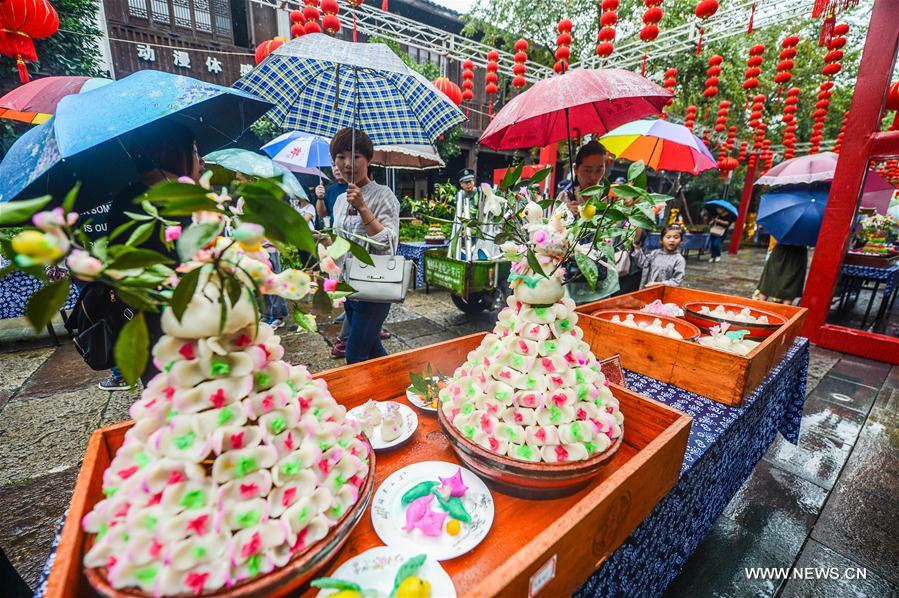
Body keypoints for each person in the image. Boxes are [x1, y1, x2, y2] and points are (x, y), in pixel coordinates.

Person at [100, 122, 202, 390]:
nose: (200, 161)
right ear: (174, 153)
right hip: (181, 325)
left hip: (148, 327)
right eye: (194, 151)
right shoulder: (175, 202)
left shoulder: (125, 199)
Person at [329, 128, 400, 364]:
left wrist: (362, 208)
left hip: (374, 288)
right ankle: (399, 379)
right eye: (341, 157)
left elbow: (388, 244)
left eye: (356, 156)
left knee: (355, 354)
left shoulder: (383, 195)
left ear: (369, 159)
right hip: (347, 286)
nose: (348, 164)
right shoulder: (340, 200)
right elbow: (340, 243)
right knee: (372, 349)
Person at [756, 240, 808, 304]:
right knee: (792, 283)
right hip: (798, 251)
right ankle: (785, 309)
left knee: (769, 280)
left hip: (782, 248)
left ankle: (761, 304)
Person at [451, 168, 481, 260]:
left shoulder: (480, 193)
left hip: (479, 232)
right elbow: (458, 215)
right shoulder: (459, 196)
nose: (468, 185)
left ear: (473, 181)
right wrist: (462, 228)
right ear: (461, 184)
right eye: (465, 182)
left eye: (470, 181)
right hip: (464, 233)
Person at [315, 164, 348, 229]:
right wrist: (320, 198)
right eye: (333, 165)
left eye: (338, 164)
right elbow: (322, 214)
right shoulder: (330, 189)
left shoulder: (356, 187)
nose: (336, 168)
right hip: (335, 230)